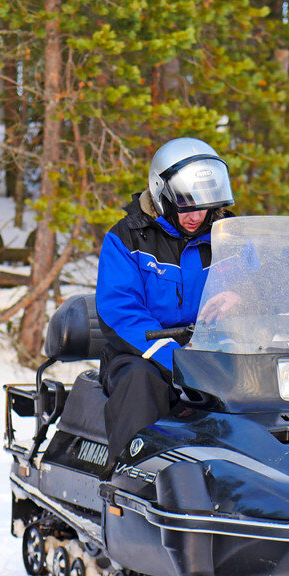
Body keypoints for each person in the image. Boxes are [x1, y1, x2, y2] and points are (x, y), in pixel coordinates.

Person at [95, 137, 235, 478]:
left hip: (214, 352)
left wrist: (243, 295)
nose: (196, 216)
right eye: (186, 206)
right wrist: (173, 357)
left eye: (203, 206)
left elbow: (264, 286)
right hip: (146, 354)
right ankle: (128, 477)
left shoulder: (229, 236)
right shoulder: (127, 238)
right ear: (163, 195)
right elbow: (120, 311)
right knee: (141, 383)